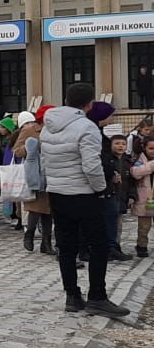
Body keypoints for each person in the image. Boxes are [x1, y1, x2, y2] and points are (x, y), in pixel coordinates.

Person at [40, 84, 130, 319]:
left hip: (57, 192)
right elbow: (91, 165)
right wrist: (101, 188)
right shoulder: (86, 127)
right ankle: (97, 296)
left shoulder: (48, 127)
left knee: (67, 246)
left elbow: (44, 161)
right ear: (89, 104)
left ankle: (72, 295)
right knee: (98, 245)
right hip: (83, 193)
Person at [90, 103, 133, 263]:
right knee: (107, 217)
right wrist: (110, 174)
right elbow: (98, 160)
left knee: (112, 216)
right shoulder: (94, 134)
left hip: (108, 183)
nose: (112, 119)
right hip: (103, 183)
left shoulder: (99, 133)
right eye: (109, 115)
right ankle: (108, 248)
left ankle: (111, 247)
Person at [13, 110, 54, 255]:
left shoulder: (56, 130)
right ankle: (29, 234)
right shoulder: (30, 130)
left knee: (49, 212)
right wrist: (29, 149)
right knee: (36, 209)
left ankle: (46, 243)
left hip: (52, 174)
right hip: (35, 175)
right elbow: (16, 151)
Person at [130, 137, 154, 258]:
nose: (153, 151)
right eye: (151, 148)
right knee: (144, 225)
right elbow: (135, 173)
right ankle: (141, 245)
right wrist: (151, 165)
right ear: (144, 147)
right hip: (146, 199)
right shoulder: (140, 159)